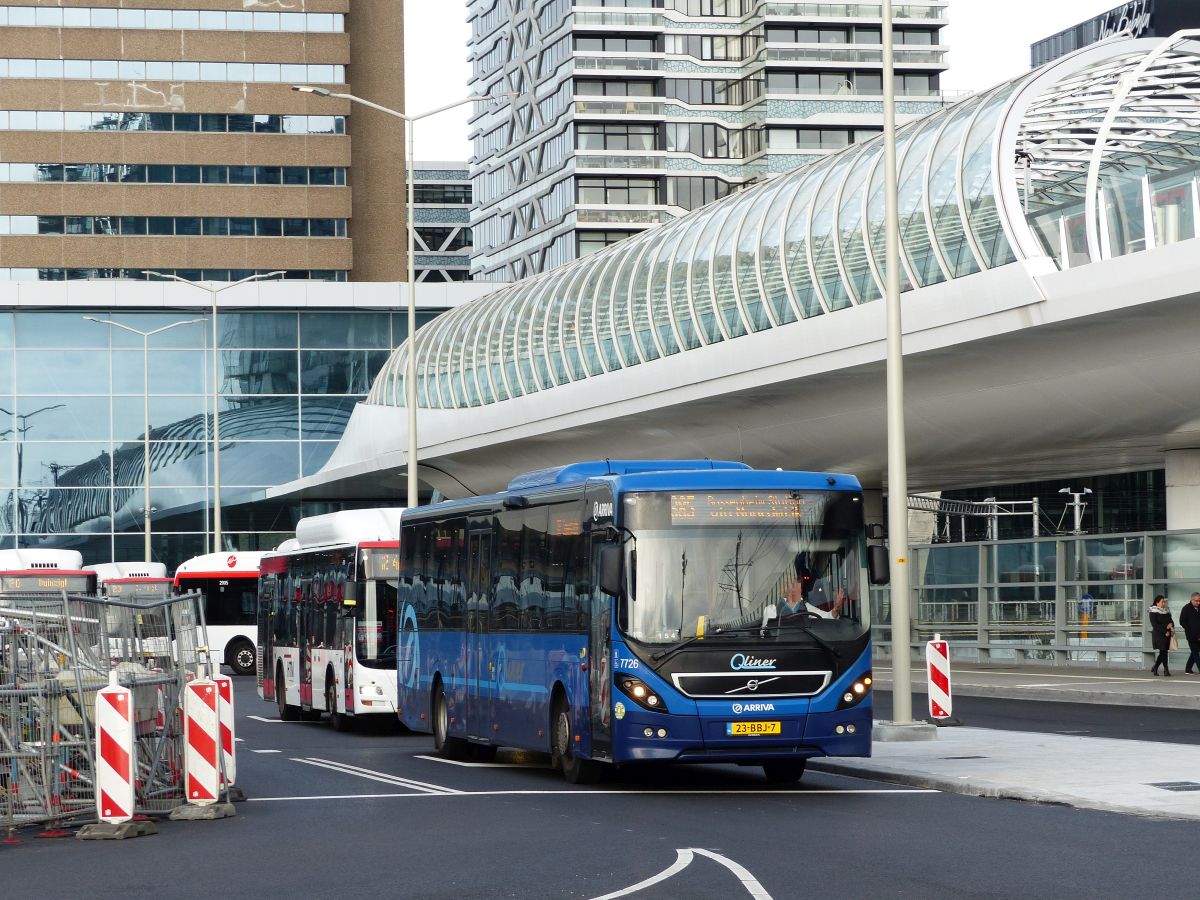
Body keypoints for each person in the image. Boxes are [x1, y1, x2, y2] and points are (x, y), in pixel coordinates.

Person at [1148, 594, 1174, 676]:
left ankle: (1155, 667)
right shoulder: (1153, 611)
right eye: (1162, 602)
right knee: (1164, 651)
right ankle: (1166, 670)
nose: (1164, 604)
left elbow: (1171, 620)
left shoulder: (1166, 611)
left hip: (1167, 634)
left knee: (1163, 652)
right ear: (1157, 603)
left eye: (1164, 602)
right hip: (1159, 634)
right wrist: (1164, 631)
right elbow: (1155, 625)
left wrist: (1171, 624)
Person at [1180, 591, 1200, 675]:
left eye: (1199, 601)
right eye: (1196, 601)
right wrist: (1191, 631)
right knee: (1195, 652)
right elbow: (1182, 622)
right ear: (1192, 600)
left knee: (1195, 652)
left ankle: (1188, 669)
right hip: (1191, 635)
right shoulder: (1186, 608)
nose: (1198, 602)